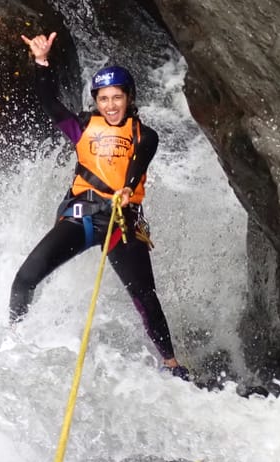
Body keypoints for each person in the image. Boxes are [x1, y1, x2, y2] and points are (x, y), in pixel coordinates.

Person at [11, 32, 189, 380]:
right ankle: (12, 342)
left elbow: (138, 164)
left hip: (122, 221)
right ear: (96, 100)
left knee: (145, 298)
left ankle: (172, 364)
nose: (110, 105)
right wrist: (41, 63)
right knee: (24, 280)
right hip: (83, 215)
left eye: (117, 98)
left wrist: (127, 187)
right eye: (104, 98)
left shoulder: (145, 135)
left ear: (129, 99)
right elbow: (50, 102)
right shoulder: (80, 127)